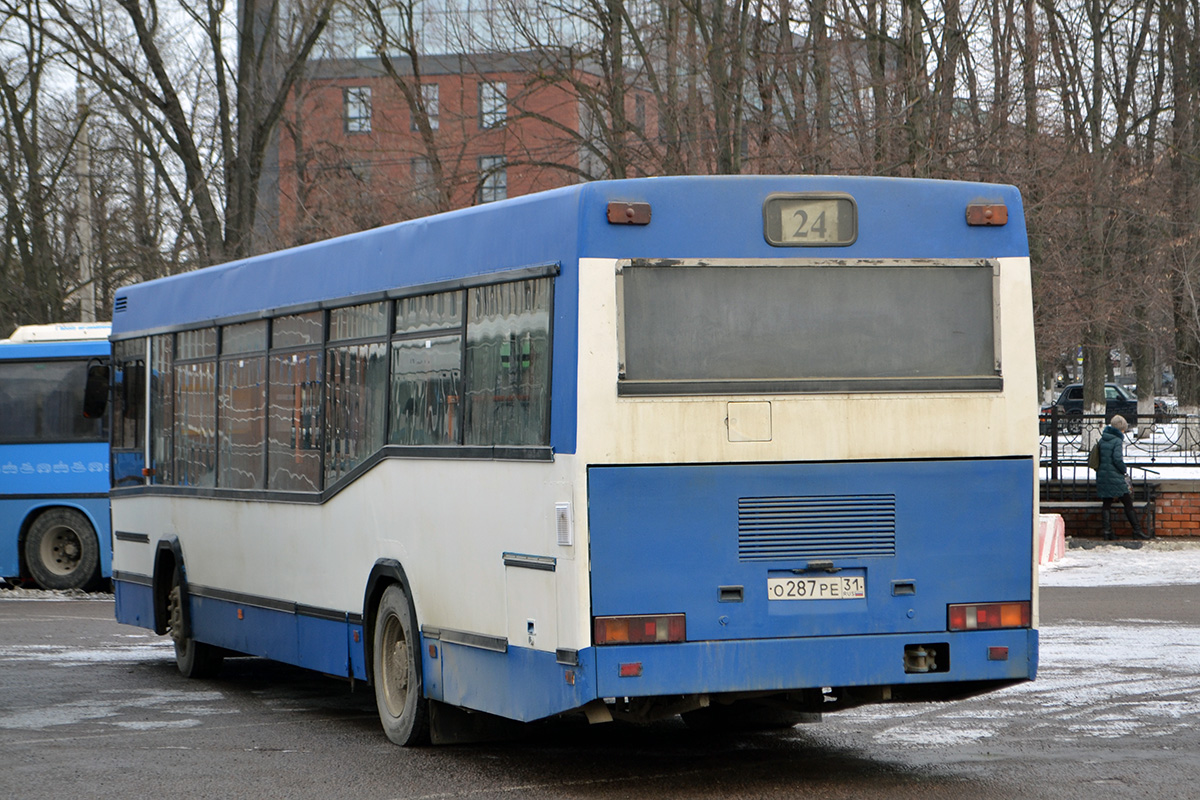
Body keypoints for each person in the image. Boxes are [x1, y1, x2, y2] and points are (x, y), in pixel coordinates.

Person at [1096, 415, 1152, 540]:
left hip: (1103, 476)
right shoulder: (1117, 441)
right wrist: (1123, 470)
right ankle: (1137, 530)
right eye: (1123, 429)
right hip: (1114, 476)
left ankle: (1107, 532)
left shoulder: (1103, 439)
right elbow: (1117, 460)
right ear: (1120, 429)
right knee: (1127, 501)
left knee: (1106, 502)